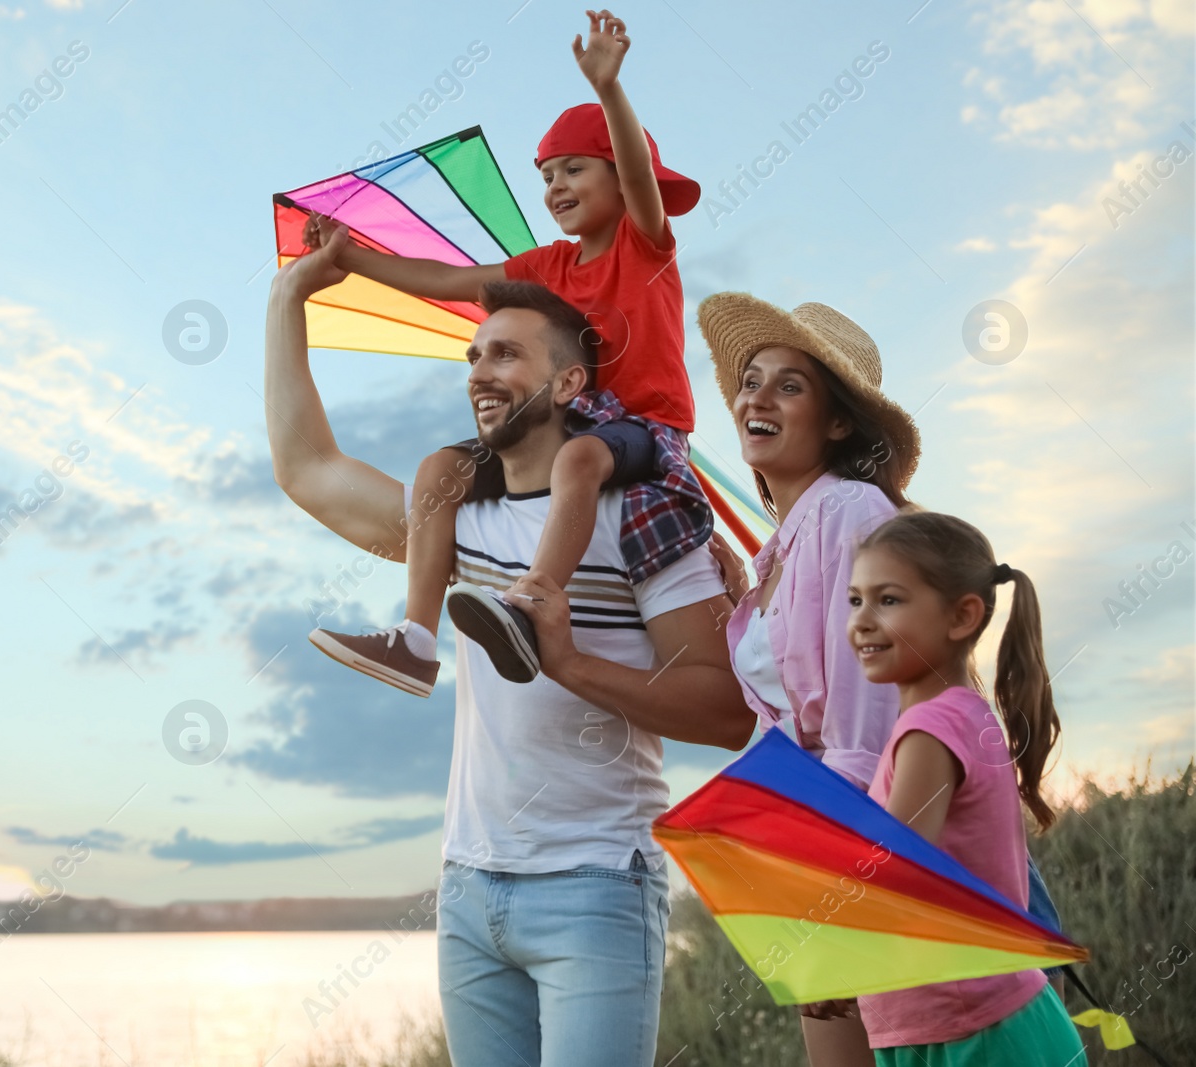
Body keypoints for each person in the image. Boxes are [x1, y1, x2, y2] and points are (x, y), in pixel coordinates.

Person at [265, 230, 754, 1065]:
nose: (480, 373)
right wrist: (288, 298)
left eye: (506, 355)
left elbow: (725, 709)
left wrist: (570, 663)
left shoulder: (636, 516)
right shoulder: (452, 518)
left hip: (597, 884)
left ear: (569, 382)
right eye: (474, 355)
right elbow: (307, 468)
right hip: (468, 887)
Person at [307, 9, 712, 698]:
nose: (555, 188)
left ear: (617, 176)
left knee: (579, 458)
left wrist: (610, 89)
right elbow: (447, 281)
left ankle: (529, 607)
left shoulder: (642, 247)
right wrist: (355, 257)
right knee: (440, 466)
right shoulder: (544, 267)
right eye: (547, 175)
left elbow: (643, 180)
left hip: (643, 431)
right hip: (567, 420)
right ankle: (414, 639)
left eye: (574, 170)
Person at [696, 292, 916, 1067]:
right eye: (750, 381)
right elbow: (785, 705)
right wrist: (742, 602)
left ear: (838, 422)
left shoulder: (849, 510)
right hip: (811, 834)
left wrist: (840, 881)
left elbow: (869, 709)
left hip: (860, 835)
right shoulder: (782, 544)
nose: (756, 396)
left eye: (789, 385)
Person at [844, 511, 1085, 1064]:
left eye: (889, 600)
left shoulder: (933, 730)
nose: (862, 620)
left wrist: (829, 962)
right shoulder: (959, 716)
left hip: (975, 1034)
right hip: (958, 1025)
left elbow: (896, 874)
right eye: (855, 600)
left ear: (962, 617)